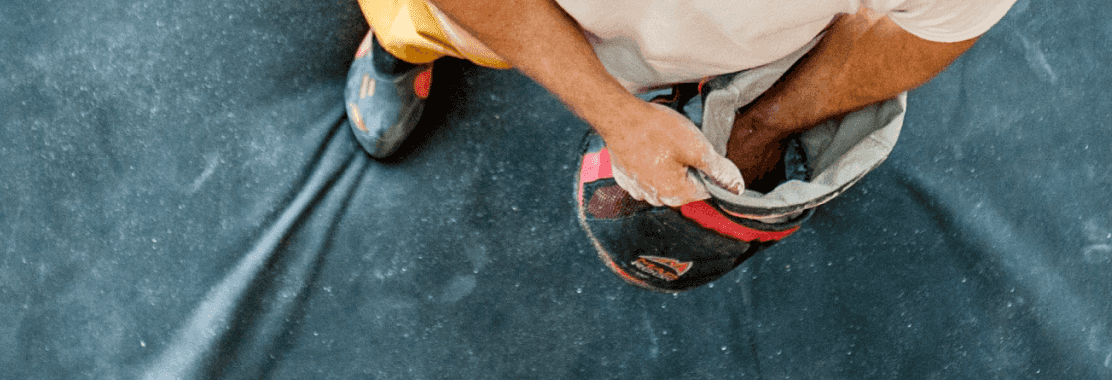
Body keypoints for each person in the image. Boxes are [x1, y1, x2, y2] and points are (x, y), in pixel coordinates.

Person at [344, 0, 1016, 292]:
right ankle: (399, 49)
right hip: (503, 17)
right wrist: (613, 112)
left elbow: (927, 31)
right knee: (423, 22)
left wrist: (760, 125)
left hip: (717, 53)